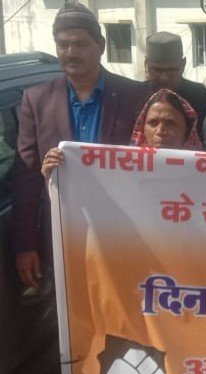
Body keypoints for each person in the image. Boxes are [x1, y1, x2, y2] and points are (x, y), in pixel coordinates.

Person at [13, 1, 152, 291]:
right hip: (62, 236)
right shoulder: (36, 100)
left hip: (123, 234)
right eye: (62, 45)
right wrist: (25, 245)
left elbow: (153, 163)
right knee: (67, 312)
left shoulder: (135, 96)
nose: (70, 52)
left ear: (100, 45)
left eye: (79, 44)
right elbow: (26, 178)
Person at [41, 89, 206, 177]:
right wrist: (59, 178)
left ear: (187, 130)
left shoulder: (205, 171)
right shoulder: (121, 170)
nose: (161, 130)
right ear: (142, 128)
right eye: (153, 123)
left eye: (171, 123)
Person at [144, 32, 206, 143]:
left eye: (171, 70)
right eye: (156, 70)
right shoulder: (134, 96)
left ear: (183, 65)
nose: (164, 78)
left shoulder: (204, 98)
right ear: (146, 65)